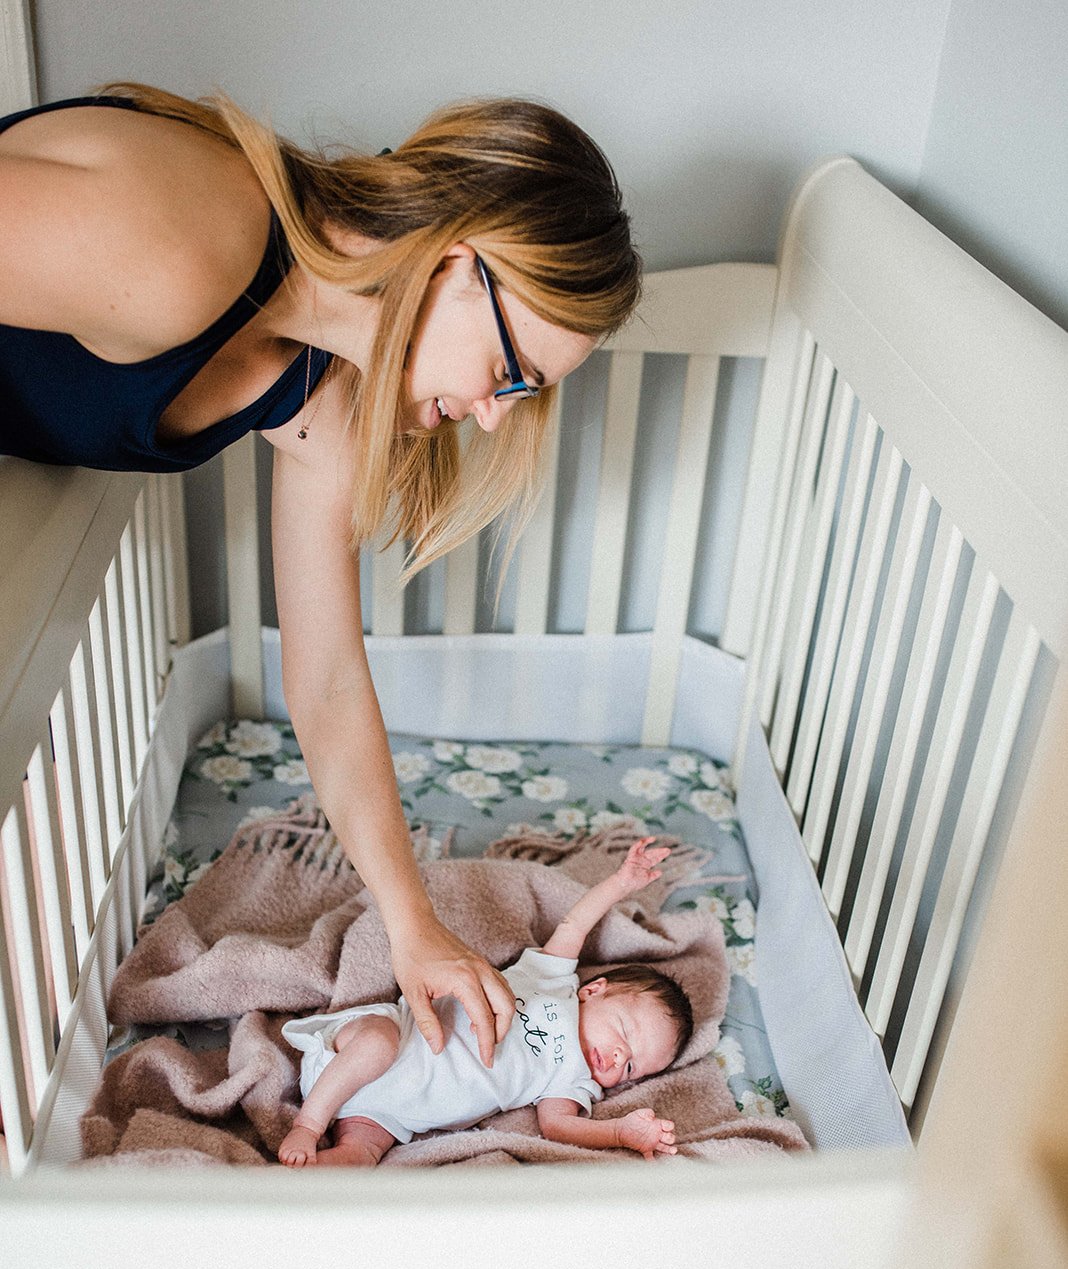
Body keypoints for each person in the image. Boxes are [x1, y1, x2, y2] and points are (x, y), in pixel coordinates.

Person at [0, 86, 641, 1068]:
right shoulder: (188, 249)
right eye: (514, 374)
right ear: (460, 267)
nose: (495, 415)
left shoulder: (323, 389)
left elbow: (330, 678)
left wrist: (414, 922)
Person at [277, 837, 693, 1166]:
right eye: (624, 1032)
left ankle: (293, 1187)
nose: (619, 1058)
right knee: (378, 1042)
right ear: (594, 990)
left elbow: (560, 1127)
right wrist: (619, 884)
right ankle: (309, 1125)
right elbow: (575, 924)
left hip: (389, 1116)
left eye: (632, 1067)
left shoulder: (574, 1081)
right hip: (381, 1047)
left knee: (363, 1154)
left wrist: (620, 1133)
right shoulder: (553, 982)